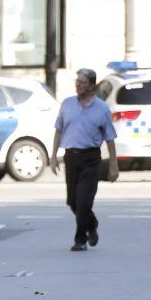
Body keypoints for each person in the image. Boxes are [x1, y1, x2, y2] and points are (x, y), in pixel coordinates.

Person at [51, 68, 118, 252]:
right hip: (71, 157)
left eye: (82, 82)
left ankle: (80, 240)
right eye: (77, 81)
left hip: (91, 158)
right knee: (72, 201)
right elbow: (58, 131)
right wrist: (53, 157)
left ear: (92, 86)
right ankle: (92, 223)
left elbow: (110, 139)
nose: (78, 85)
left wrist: (113, 166)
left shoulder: (101, 109)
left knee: (83, 201)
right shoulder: (67, 104)